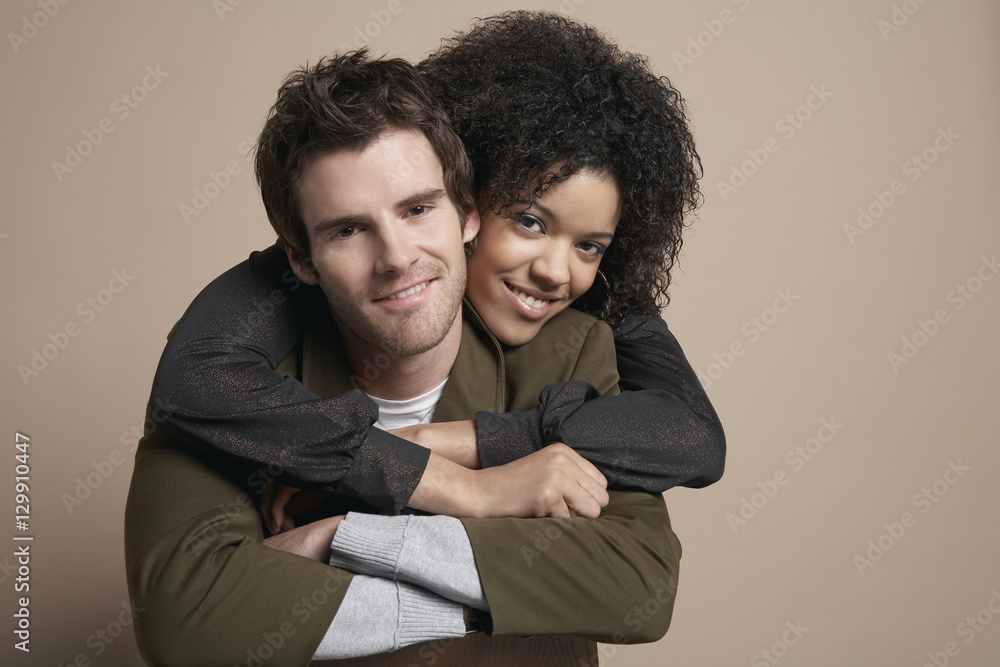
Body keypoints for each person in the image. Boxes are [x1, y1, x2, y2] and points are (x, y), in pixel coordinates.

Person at [126, 45, 687, 666]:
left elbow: (637, 584)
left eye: (418, 209)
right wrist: (484, 549)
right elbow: (188, 625)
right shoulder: (224, 377)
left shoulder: (575, 351)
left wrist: (347, 538)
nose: (396, 257)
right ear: (300, 259)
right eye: (347, 230)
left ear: (467, 213)